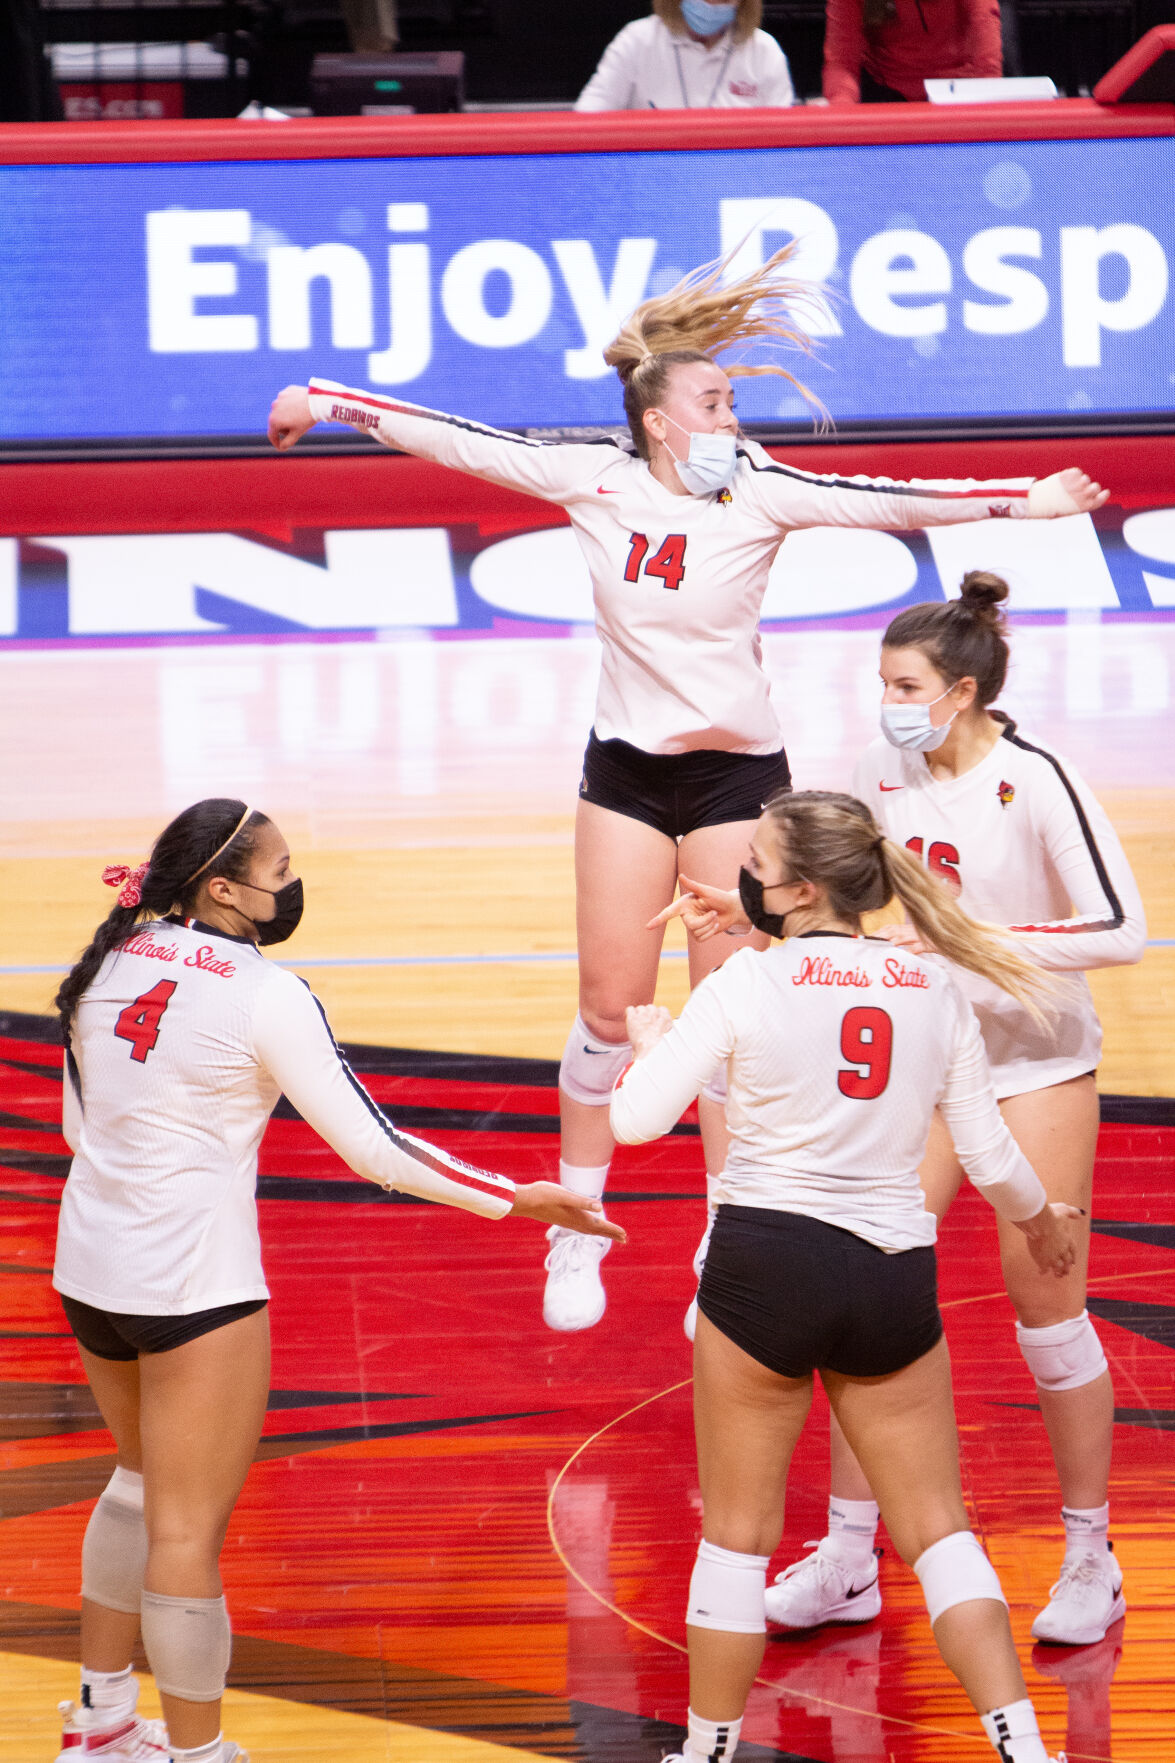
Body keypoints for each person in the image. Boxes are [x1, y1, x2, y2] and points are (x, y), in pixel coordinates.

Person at [267, 247, 1109, 1337]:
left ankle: (724, 1219)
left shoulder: (757, 488)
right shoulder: (592, 479)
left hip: (736, 780)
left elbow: (889, 501)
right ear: (656, 419)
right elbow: (457, 438)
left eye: (729, 400)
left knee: (725, 1014)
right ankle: (577, 1213)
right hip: (623, 775)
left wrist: (1022, 502)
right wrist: (325, 400)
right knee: (608, 1011)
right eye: (710, 402)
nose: (730, 416)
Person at [51, 798, 622, 1763]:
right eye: (278, 870)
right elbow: (378, 1149)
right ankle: (197, 1754)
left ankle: (100, 1723)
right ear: (223, 888)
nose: (291, 883)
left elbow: (78, 1129)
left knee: (138, 1488)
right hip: (194, 1289)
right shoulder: (265, 993)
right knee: (186, 1534)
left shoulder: (106, 960)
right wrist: (513, 1199)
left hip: (90, 1275)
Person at [666, 574, 1146, 1648]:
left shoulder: (1033, 779)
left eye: (902, 683)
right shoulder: (880, 769)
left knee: (1048, 1308)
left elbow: (1119, 927)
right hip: (925, 1062)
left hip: (1031, 1059)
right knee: (867, 1273)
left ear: (961, 691)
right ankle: (847, 1555)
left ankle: (1089, 1550)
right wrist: (754, 926)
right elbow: (836, 900)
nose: (883, 700)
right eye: (881, 681)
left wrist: (965, 946)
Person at [610, 788, 1078, 1763]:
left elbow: (632, 1121)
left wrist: (654, 1044)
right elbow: (988, 1157)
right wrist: (1041, 1222)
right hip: (886, 1275)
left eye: (759, 858)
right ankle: (1022, 1744)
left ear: (801, 885)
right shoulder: (929, 987)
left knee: (735, 1538)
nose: (745, 870)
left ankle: (705, 1750)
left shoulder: (742, 983)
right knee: (939, 1532)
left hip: (761, 1271)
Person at [575, 0, 794, 112]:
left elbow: (783, 140)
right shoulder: (637, 40)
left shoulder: (765, 51)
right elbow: (588, 117)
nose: (712, 4)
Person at [823, 0, 1003, 103]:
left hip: (959, 93)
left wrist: (984, 114)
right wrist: (841, 118)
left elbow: (987, 62)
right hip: (888, 97)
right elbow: (841, 64)